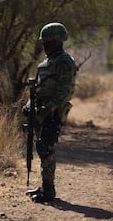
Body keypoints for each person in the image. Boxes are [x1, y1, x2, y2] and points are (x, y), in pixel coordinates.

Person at [23, 22, 76, 203]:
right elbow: (36, 89)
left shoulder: (65, 62)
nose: (45, 45)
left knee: (45, 147)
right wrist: (30, 105)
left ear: (59, 41)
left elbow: (65, 91)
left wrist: (49, 108)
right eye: (44, 41)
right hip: (40, 113)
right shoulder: (44, 64)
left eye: (49, 41)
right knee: (41, 147)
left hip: (53, 112)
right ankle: (45, 186)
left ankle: (49, 190)